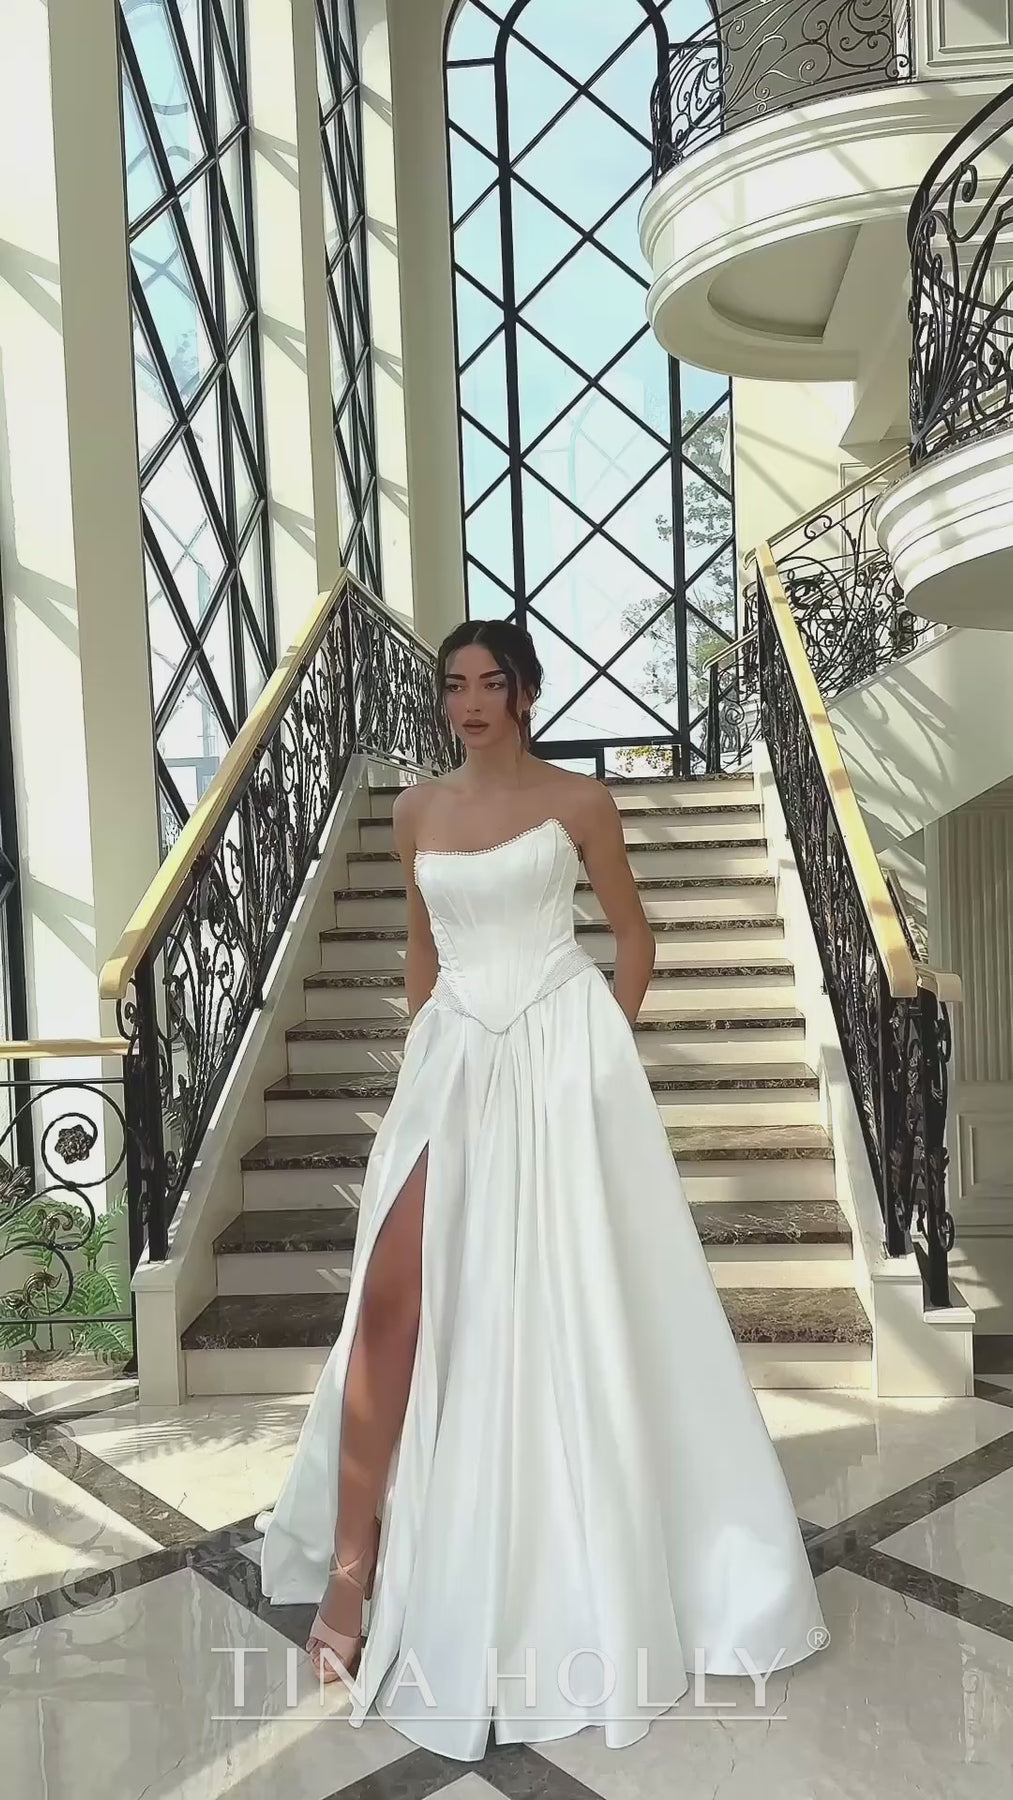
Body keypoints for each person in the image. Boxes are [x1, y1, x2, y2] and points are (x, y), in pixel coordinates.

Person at [256, 617, 826, 1759]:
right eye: (453, 685)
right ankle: (354, 1573)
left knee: (568, 1308)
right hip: (453, 1065)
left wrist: (598, 1056)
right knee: (388, 1308)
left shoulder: (579, 803)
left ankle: (572, 1546)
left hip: (562, 1061)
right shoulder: (414, 812)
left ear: (523, 692)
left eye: (489, 683)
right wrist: (424, 1055)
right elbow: (423, 951)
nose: (468, 703)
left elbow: (631, 937)